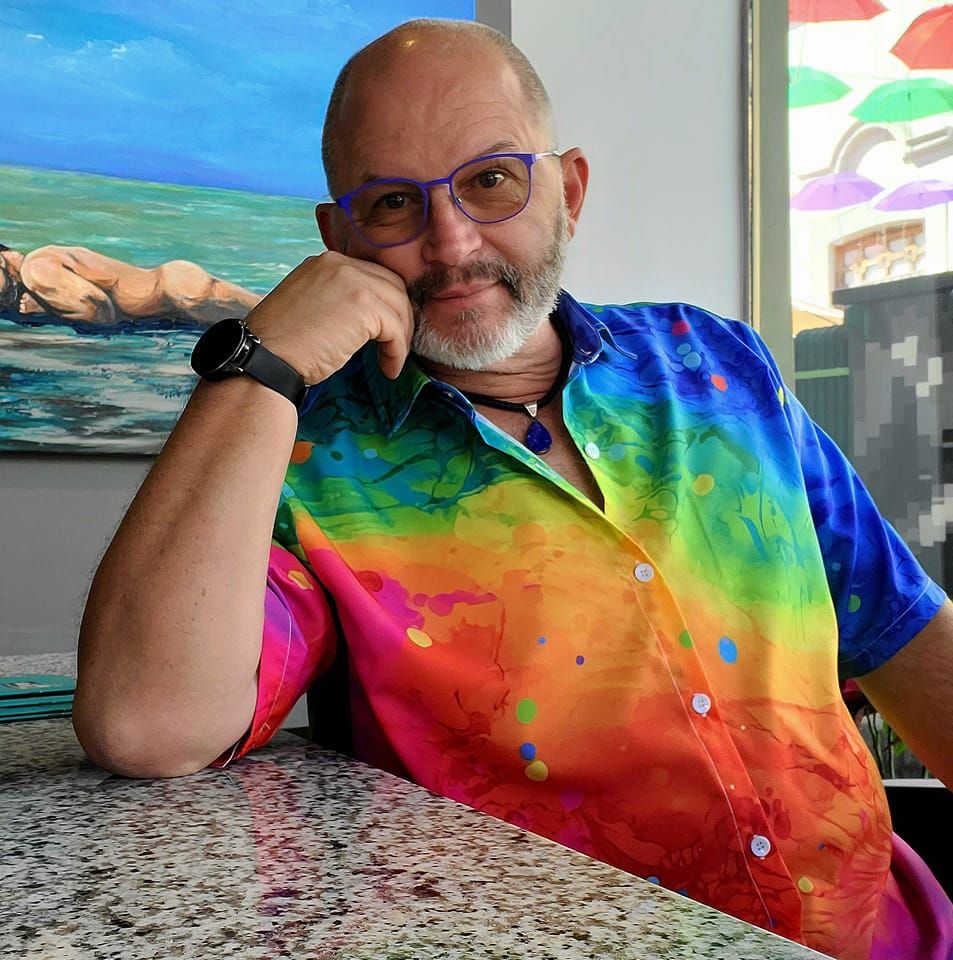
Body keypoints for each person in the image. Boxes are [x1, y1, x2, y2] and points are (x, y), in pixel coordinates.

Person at [72, 18, 953, 960]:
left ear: (568, 191)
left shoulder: (716, 360)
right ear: (338, 240)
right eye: (393, 203)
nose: (451, 244)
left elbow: (895, 626)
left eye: (491, 180)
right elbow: (148, 726)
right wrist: (263, 362)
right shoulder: (306, 460)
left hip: (893, 935)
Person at [0, 243, 260, 326]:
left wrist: (45, 308)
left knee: (270, 320)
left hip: (181, 294)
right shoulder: (44, 257)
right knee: (269, 315)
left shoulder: (35, 269)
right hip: (176, 291)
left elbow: (98, 310)